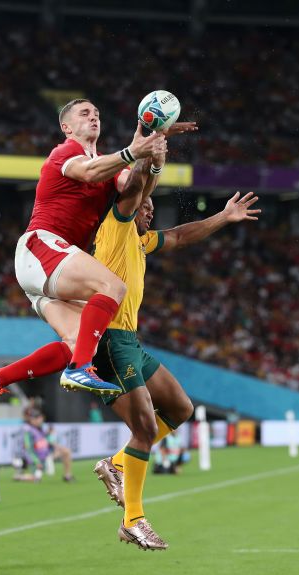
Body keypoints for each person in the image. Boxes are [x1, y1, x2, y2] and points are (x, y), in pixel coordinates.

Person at [91, 152, 260, 549]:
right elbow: (135, 187)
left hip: (129, 340)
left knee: (181, 409)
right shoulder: (115, 228)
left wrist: (223, 217)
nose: (150, 211)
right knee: (146, 428)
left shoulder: (140, 241)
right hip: (109, 339)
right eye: (146, 206)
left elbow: (182, 235)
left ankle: (115, 463)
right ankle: (133, 519)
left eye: (152, 207)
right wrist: (151, 154)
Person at [0, 98, 180, 417]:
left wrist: (154, 158)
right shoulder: (65, 152)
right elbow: (88, 172)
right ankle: (79, 369)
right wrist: (132, 151)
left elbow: (138, 191)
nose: (94, 117)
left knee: (79, 341)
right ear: (66, 127)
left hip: (49, 268)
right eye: (85, 114)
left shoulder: (111, 167)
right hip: (42, 246)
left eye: (97, 113)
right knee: (113, 287)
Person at [13, 405, 74, 482]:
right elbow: (28, 449)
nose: (41, 420)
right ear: (32, 420)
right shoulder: (28, 431)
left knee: (66, 451)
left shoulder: (41, 429)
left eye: (41, 418)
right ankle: (19, 477)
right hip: (36, 460)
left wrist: (55, 445)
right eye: (38, 418)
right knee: (36, 478)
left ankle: (67, 475)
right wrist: (37, 462)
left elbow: (46, 441)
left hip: (46, 456)